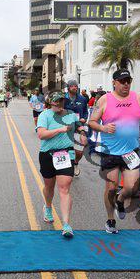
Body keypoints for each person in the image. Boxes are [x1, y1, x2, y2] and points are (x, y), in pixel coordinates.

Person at [88, 69, 140, 234]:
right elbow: (92, 121)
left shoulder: (138, 97)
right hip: (110, 151)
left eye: (128, 81)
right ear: (114, 82)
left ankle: (120, 199)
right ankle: (110, 219)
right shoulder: (104, 99)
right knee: (111, 187)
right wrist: (103, 128)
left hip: (131, 151)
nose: (126, 84)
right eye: (122, 81)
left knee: (132, 187)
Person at [36, 91, 87, 237]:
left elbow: (79, 126)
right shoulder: (44, 115)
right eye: (56, 101)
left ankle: (66, 225)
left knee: (64, 189)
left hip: (66, 154)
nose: (59, 103)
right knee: (49, 187)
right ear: (50, 102)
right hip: (47, 154)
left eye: (61, 101)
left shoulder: (70, 114)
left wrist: (83, 134)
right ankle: (48, 207)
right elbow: (41, 134)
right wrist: (59, 129)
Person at [63, 79, 89, 177]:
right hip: (66, 127)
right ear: (68, 88)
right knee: (65, 149)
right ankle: (65, 167)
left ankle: (76, 163)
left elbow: (85, 111)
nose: (75, 87)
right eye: (72, 86)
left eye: (76, 86)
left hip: (79, 127)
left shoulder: (82, 99)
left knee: (79, 151)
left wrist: (84, 118)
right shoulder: (63, 98)